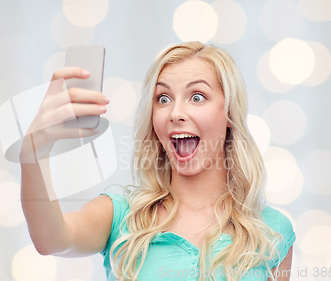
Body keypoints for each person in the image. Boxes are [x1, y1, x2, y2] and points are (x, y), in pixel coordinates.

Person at [19, 41, 295, 281]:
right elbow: (50, 238)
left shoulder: (272, 231)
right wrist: (33, 151)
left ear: (230, 113)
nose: (175, 112)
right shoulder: (120, 216)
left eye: (197, 97)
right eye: (163, 98)